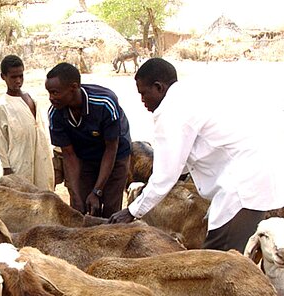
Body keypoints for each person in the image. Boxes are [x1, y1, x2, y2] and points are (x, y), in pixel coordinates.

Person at [108, 58, 284, 252]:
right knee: (225, 256)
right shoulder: (191, 94)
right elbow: (181, 161)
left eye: (144, 93)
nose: (142, 101)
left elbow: (165, 176)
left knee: (218, 261)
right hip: (257, 175)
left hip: (243, 187)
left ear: (159, 87)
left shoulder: (171, 112)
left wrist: (132, 211)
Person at [46, 62, 131, 218]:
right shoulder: (55, 114)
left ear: (73, 87)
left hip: (114, 154)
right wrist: (76, 195)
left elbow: (111, 149)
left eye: (55, 92)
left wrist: (97, 191)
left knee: (110, 209)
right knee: (82, 208)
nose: (51, 98)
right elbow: (69, 155)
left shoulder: (105, 103)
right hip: (84, 156)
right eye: (49, 93)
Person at [0, 55, 54, 191]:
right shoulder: (3, 105)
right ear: (3, 77)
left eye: (21, 76)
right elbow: (1, 138)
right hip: (19, 159)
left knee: (45, 193)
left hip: (41, 155)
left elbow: (42, 127)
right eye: (13, 77)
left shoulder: (31, 97)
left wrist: (50, 154)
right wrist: (6, 167)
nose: (18, 81)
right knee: (24, 198)